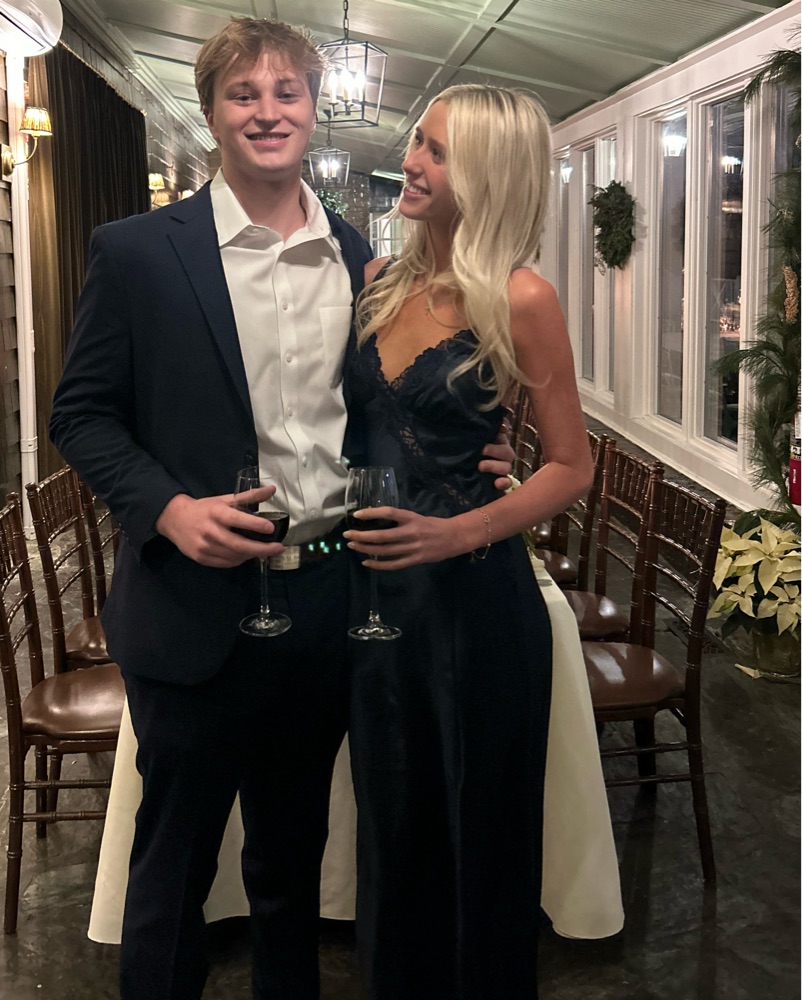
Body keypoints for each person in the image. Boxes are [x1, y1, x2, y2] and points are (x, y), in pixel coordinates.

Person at [49, 18, 512, 1000]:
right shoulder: (137, 252)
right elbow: (80, 414)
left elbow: (380, 406)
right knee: (172, 869)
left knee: (290, 863)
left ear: (312, 106)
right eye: (243, 94)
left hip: (326, 605)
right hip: (191, 607)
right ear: (213, 112)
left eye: (286, 92)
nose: (267, 112)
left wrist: (471, 452)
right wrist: (169, 509)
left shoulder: (359, 259)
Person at [342, 84, 595, 1000]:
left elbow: (570, 466)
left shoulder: (523, 297)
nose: (410, 162)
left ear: (486, 175)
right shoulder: (379, 279)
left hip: (475, 606)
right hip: (374, 597)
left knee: (477, 835)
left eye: (437, 152)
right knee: (391, 825)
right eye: (418, 141)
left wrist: (457, 532)